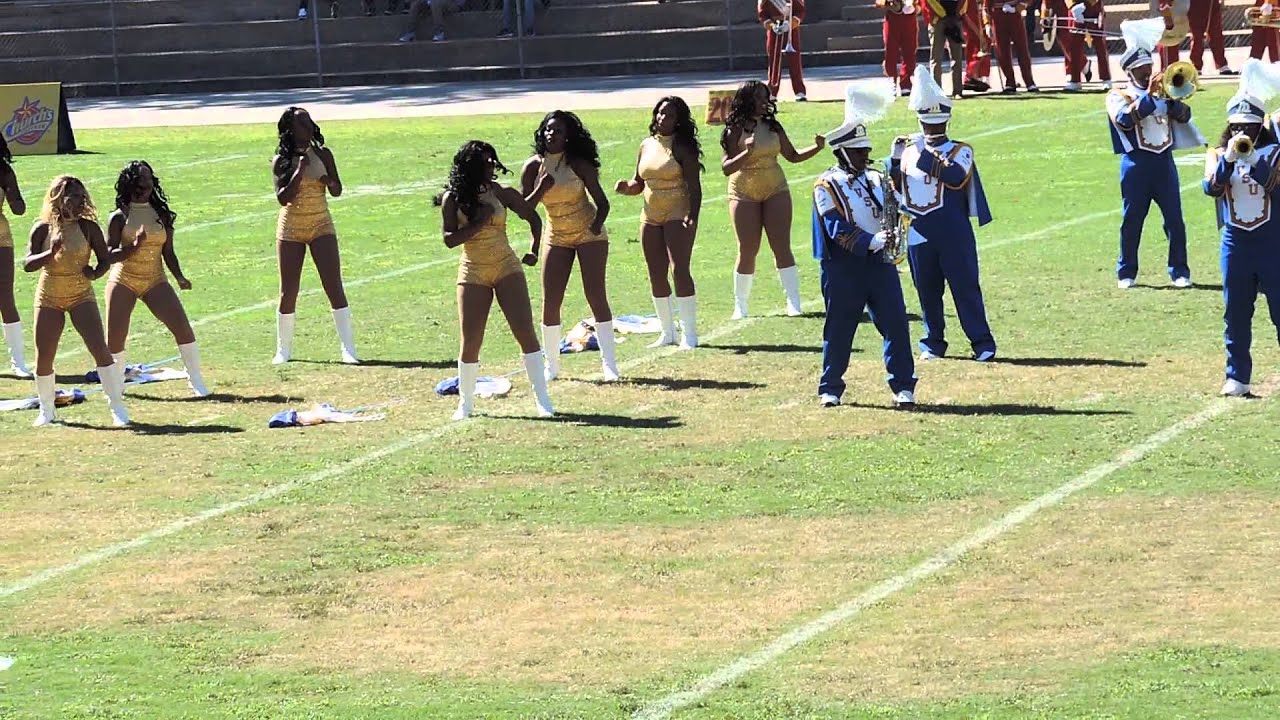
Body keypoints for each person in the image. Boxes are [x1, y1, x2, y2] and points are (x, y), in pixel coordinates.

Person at [813, 81, 917, 408]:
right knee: (840, 329)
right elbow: (834, 227)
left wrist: (897, 161)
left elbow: (895, 201)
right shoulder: (825, 184)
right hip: (844, 267)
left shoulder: (876, 177)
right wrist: (870, 241)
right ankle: (830, 387)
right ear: (842, 151)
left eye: (868, 151)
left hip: (880, 265)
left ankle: (903, 385)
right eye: (860, 152)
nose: (866, 156)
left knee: (896, 325)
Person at [437, 140, 554, 419]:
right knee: (471, 340)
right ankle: (465, 405)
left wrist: (534, 250)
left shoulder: (500, 192)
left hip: (506, 267)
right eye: (485, 162)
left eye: (493, 161)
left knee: (525, 333)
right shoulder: (452, 199)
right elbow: (449, 240)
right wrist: (479, 222)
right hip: (473, 270)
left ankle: (543, 400)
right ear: (471, 167)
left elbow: (533, 218)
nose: (492, 166)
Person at [892, 65, 997, 361]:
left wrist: (922, 151)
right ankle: (932, 342)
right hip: (918, 230)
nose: (932, 129)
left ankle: (982, 342)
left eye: (936, 124)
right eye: (928, 124)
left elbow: (954, 176)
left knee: (965, 288)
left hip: (952, 231)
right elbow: (897, 188)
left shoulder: (961, 149)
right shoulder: (909, 150)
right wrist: (893, 160)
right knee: (927, 291)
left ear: (947, 122)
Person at [23, 176, 129, 427]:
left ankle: (117, 407)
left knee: (99, 350)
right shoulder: (42, 228)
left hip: (81, 294)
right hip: (49, 294)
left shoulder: (89, 228)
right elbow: (27, 264)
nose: (81, 202)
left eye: (83, 197)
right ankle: (47, 411)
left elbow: (105, 259)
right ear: (59, 198)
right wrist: (51, 252)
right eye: (75, 197)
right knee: (44, 356)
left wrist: (95, 272)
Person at [1107, 18, 1204, 289]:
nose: (1147, 71)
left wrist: (1173, 103)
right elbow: (1125, 121)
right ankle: (1126, 271)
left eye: (1148, 65)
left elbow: (1185, 116)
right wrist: (1150, 98)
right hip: (1136, 164)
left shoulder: (1164, 91)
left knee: (1175, 220)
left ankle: (1179, 271)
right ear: (1129, 71)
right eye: (1140, 68)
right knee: (1132, 219)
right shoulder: (1118, 95)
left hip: (1164, 162)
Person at [521, 110, 617, 381]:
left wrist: (596, 226)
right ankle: (552, 365)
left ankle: (609, 364)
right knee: (551, 301)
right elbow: (525, 208)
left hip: (587, 232)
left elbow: (603, 202)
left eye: (559, 131)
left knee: (595, 295)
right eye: (548, 129)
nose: (552, 134)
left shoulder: (578, 164)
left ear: (568, 137)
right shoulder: (533, 166)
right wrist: (540, 188)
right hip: (557, 235)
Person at [1203, 62, 1280, 396]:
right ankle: (1237, 377)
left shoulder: (1275, 151)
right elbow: (1211, 188)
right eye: (1236, 127)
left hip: (1272, 241)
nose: (1242, 133)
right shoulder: (1218, 153)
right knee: (1235, 312)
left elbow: (1274, 185)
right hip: (1235, 243)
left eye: (1248, 127)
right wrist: (1230, 160)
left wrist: (1253, 160)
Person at [720, 80, 825, 319]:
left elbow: (792, 156)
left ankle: (793, 302)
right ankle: (741, 305)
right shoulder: (734, 128)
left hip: (775, 187)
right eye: (757, 97)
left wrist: (817, 148)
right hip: (743, 190)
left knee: (782, 246)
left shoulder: (773, 126)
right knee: (747, 248)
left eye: (765, 97)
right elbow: (726, 168)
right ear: (746, 100)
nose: (763, 102)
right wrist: (747, 152)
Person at [104, 161, 209, 397]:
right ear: (131, 183)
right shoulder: (119, 217)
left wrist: (180, 277)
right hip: (123, 279)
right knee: (116, 337)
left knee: (182, 328)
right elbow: (108, 255)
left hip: (155, 279)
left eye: (150, 178)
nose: (148, 184)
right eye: (142, 179)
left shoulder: (161, 214)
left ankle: (196, 380)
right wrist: (133, 246)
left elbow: (168, 252)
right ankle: (115, 386)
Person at [272, 107, 360, 364]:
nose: (309, 127)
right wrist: (299, 173)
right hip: (291, 228)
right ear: (290, 130)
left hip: (321, 223)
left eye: (309, 121)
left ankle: (348, 349)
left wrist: (329, 182)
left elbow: (337, 190)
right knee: (288, 291)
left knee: (334, 285)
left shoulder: (323, 153)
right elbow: (282, 198)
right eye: (302, 123)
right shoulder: (281, 160)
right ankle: (283, 351)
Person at [614, 96, 703, 349]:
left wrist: (692, 215)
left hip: (678, 211)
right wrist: (625, 188)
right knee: (656, 273)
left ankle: (690, 334)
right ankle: (667, 332)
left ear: (679, 121)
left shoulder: (683, 148)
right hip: (650, 215)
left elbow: (695, 187)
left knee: (679, 270)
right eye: (661, 113)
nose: (663, 118)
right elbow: (638, 183)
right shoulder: (646, 145)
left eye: (670, 115)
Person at [0, 134, 30, 377]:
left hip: (0, 238)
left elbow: (19, 209)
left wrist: (12, 191)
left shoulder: (4, 171)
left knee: (5, 298)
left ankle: (18, 362)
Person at [758, 0, 807, 102]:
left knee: (795, 62)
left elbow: (800, 11)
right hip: (774, 29)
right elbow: (762, 14)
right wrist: (772, 26)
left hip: (790, 29)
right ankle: (772, 92)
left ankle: (799, 91)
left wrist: (790, 24)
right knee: (774, 61)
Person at [987, 0, 1038, 93]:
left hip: (1015, 12)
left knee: (1022, 49)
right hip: (998, 14)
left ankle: (1029, 82)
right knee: (1002, 51)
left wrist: (1019, 7)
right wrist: (987, 23)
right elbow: (986, 5)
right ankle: (1010, 82)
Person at [1065, 0, 1112, 91]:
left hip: (1093, 5)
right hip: (1075, 6)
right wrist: (1072, 6)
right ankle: (1075, 80)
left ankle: (1106, 79)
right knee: (1074, 45)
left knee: (1100, 44)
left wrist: (1091, 3)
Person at [922, 0, 965, 98]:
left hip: (955, 19)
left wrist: (958, 13)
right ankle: (937, 92)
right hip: (937, 19)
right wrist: (943, 14)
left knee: (957, 57)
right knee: (936, 57)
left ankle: (957, 91)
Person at [878, 0, 921, 96]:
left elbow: (920, 5)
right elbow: (879, 2)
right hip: (893, 18)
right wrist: (888, 3)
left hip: (910, 18)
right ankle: (891, 81)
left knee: (910, 52)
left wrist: (916, 7)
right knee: (891, 51)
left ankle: (906, 83)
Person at [1188, 0, 1233, 74]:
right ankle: (1196, 65)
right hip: (1195, 5)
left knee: (1216, 34)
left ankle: (1221, 64)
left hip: (1212, 4)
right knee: (1197, 37)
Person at [398, 0, 465, 42]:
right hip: (433, 3)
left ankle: (439, 32)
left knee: (435, 2)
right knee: (416, 3)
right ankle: (410, 32)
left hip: (453, 3)